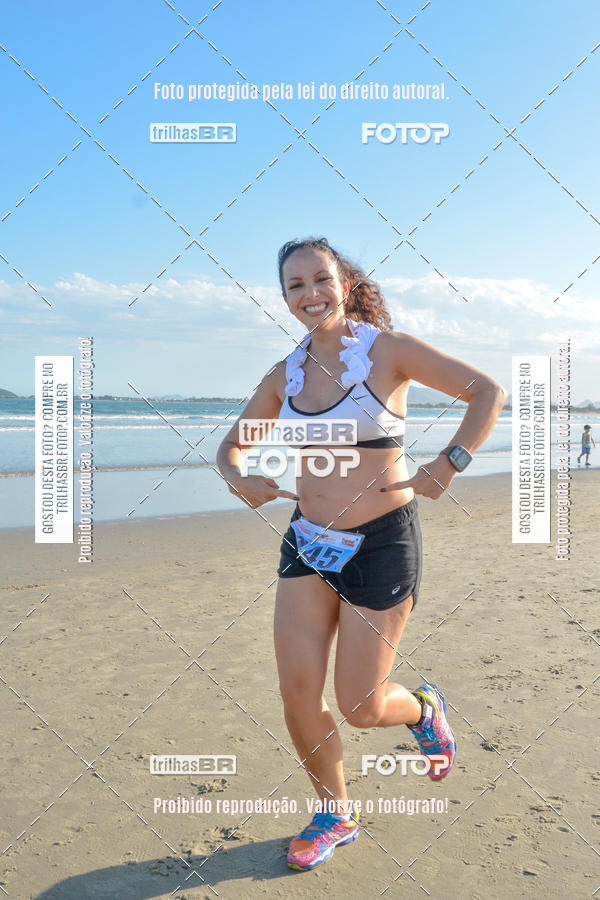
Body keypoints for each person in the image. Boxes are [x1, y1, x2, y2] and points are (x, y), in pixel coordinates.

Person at [216, 236, 507, 872]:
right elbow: (230, 448)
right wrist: (240, 479)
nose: (308, 294)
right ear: (285, 298)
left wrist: (452, 461)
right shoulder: (285, 372)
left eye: (319, 279)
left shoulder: (387, 352)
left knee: (361, 704)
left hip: (381, 542)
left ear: (343, 283)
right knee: (297, 693)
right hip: (309, 541)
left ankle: (424, 708)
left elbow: (487, 391)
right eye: (294, 286)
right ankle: (334, 812)